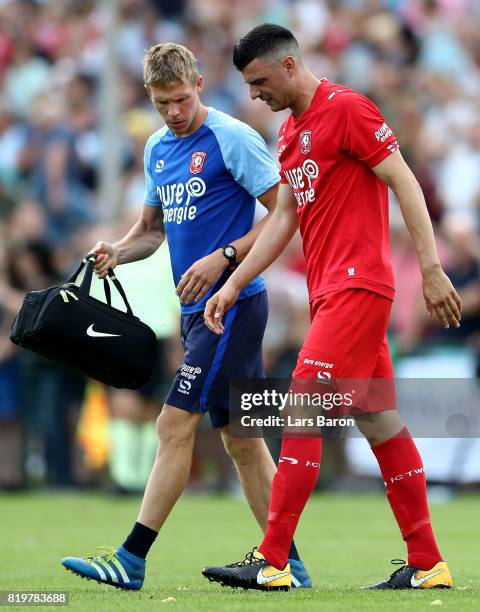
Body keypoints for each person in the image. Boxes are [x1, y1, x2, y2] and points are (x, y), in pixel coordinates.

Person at [202, 24, 461, 591]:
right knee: (379, 422)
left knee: (300, 406)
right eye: (248, 85)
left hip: (358, 285)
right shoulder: (292, 132)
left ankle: (272, 560)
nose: (255, 95)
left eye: (260, 81)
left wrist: (432, 268)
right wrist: (230, 280)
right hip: (330, 294)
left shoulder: (347, 109)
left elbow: (405, 182)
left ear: (289, 66)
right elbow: (283, 223)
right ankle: (427, 562)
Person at [61, 42, 311, 589]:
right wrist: (116, 251)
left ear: (198, 82)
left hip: (233, 304)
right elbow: (151, 231)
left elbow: (284, 216)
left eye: (179, 99)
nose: (173, 113)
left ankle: (131, 558)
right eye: (161, 103)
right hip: (198, 310)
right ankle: (287, 564)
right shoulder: (156, 148)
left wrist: (223, 257)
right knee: (243, 441)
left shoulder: (231, 138)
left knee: (172, 424)